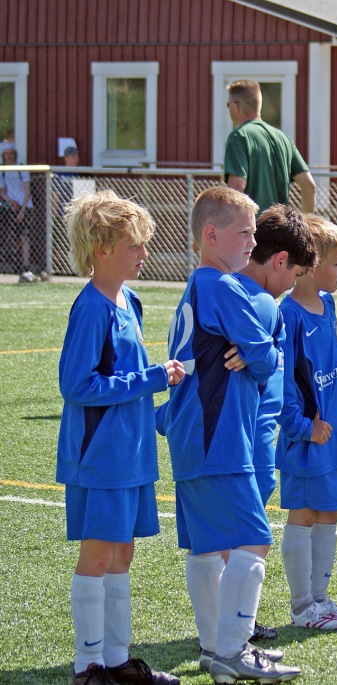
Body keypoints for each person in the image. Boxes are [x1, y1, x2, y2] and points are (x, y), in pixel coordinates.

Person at [158, 186, 301, 683]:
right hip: (218, 435)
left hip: (192, 435)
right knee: (252, 540)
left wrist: (256, 352)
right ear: (211, 234)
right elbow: (264, 358)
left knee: (205, 547)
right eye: (244, 232)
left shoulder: (197, 287)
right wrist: (263, 353)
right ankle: (234, 649)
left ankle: (214, 647)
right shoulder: (222, 286)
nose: (252, 242)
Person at [58, 191, 185, 685]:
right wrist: (150, 379)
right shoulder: (91, 307)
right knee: (99, 553)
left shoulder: (129, 300)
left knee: (123, 553)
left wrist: (157, 387)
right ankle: (88, 666)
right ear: (102, 248)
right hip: (101, 456)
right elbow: (77, 386)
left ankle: (117, 660)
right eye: (135, 244)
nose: (144, 253)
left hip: (132, 452)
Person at [233, 203, 318, 642]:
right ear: (280, 261)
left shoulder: (238, 296)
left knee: (242, 531)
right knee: (245, 534)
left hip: (255, 436)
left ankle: (235, 623)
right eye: (295, 274)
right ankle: (234, 626)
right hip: (243, 437)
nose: (293, 284)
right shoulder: (256, 300)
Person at [276, 215, 337, 631]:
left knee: (329, 512)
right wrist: (302, 427)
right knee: (304, 515)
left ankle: (321, 600)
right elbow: (282, 385)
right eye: (336, 261)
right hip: (308, 440)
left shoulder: (328, 304)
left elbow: (331, 367)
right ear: (310, 266)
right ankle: (301, 607)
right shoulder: (287, 315)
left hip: (336, 435)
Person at [224, 79, 316, 215]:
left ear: (236, 107)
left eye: (228, 105)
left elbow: (237, 187)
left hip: (252, 226)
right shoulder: (284, 139)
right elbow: (309, 186)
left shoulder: (239, 137)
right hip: (280, 225)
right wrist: (306, 222)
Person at [1, 145, 40, 281]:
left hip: (25, 207)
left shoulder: (21, 169)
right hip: (11, 207)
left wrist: (22, 210)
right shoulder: (3, 171)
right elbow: (2, 191)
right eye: (6, 154)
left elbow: (27, 191)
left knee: (24, 236)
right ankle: (12, 262)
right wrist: (10, 202)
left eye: (11, 153)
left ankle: (25, 265)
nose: (9, 156)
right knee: (12, 235)